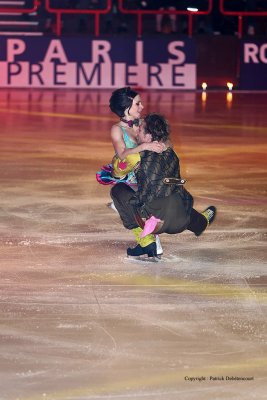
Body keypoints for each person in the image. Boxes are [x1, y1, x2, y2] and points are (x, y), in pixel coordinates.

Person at [110, 113, 217, 258]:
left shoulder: (136, 155)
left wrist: (133, 152)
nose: (137, 132)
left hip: (157, 222)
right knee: (170, 192)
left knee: (118, 190)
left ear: (148, 137)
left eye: (140, 130)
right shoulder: (171, 152)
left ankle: (146, 242)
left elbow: (116, 172)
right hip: (182, 219)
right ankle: (200, 223)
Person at [96, 87, 165, 255]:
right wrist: (145, 146)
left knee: (125, 199)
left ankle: (148, 239)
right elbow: (122, 154)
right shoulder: (117, 129)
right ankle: (147, 241)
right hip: (128, 176)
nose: (142, 107)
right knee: (120, 192)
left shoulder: (143, 124)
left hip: (148, 177)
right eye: (137, 104)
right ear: (126, 108)